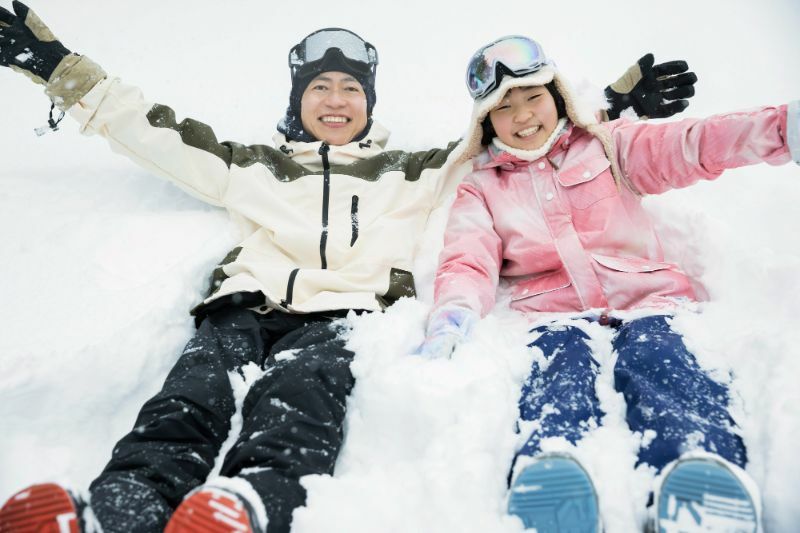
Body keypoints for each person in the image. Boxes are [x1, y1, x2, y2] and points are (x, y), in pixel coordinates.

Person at [0, 2, 699, 532]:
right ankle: (122, 502)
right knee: (188, 399)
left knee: (300, 404)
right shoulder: (252, 166)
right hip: (243, 307)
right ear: (297, 102)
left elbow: (513, 133)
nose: (336, 99)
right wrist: (58, 68)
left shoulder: (416, 170)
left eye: (351, 89)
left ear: (369, 103)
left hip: (343, 315)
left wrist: (612, 102)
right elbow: (152, 131)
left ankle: (245, 503)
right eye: (320, 87)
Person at [418, 35, 797, 533]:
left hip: (649, 303)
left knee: (663, 364)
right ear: (486, 121)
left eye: (533, 96)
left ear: (558, 98)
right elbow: (467, 259)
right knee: (558, 378)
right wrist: (453, 315)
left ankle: (699, 466)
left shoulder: (608, 146)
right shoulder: (483, 187)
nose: (523, 114)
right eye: (503, 106)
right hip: (552, 314)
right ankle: (553, 472)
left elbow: (693, 143)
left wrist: (782, 129)